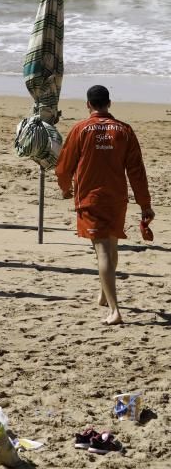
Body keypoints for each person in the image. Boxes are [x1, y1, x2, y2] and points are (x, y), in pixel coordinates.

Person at [55, 85, 154, 326]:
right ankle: (103, 293)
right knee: (111, 246)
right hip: (117, 198)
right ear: (109, 103)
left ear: (88, 105)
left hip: (91, 198)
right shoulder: (124, 130)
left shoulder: (80, 129)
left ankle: (114, 310)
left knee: (102, 252)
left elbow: (64, 166)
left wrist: (66, 188)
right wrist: (144, 204)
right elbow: (136, 171)